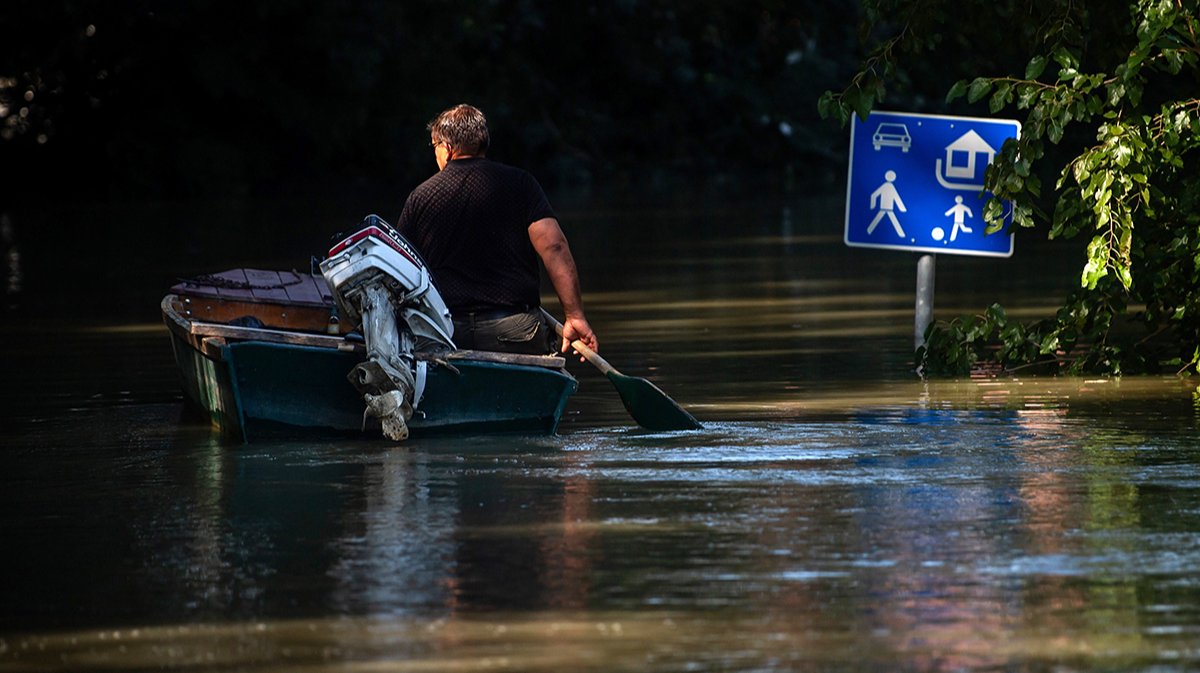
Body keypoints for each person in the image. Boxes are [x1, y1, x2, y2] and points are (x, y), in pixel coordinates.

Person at [396, 103, 598, 359]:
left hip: (446, 332)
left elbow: (400, 269)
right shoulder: (520, 184)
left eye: (434, 146)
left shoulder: (421, 197)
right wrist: (575, 316)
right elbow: (554, 246)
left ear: (446, 148)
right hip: (514, 330)